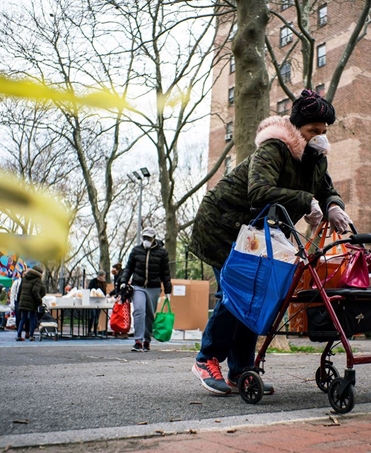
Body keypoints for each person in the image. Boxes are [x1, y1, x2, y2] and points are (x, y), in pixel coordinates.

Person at [188, 89, 351, 395]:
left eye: (323, 132)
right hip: (223, 225)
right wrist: (306, 200)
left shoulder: (316, 160)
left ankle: (241, 371)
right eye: (312, 131)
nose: (319, 137)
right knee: (236, 294)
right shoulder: (274, 149)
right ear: (297, 129)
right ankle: (206, 358)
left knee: (256, 298)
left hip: (257, 235)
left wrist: (333, 205)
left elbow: (325, 188)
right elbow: (259, 191)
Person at [116, 227, 173, 352]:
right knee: (139, 311)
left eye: (148, 238)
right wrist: (123, 281)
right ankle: (138, 341)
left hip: (154, 287)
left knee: (149, 315)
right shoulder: (136, 251)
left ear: (154, 239)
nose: (146, 240)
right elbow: (129, 268)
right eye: (144, 238)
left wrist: (168, 290)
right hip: (138, 286)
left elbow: (165, 273)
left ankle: (147, 340)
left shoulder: (162, 253)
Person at [16, 264, 47, 342]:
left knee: (23, 318)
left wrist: (19, 300)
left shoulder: (24, 278)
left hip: (23, 301)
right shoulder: (37, 280)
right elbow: (35, 291)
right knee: (32, 318)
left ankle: (19, 335)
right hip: (31, 302)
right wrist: (39, 300)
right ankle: (31, 335)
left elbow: (20, 291)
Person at [87, 270, 107, 336]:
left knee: (97, 317)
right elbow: (89, 290)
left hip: (99, 301)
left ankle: (95, 330)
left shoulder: (104, 283)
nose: (104, 278)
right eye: (103, 276)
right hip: (92, 301)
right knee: (93, 315)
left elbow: (104, 292)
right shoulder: (93, 281)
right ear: (100, 276)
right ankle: (89, 330)